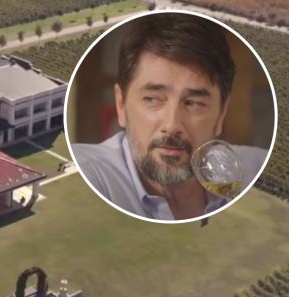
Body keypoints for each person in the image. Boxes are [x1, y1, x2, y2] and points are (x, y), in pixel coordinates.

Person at [71, 13, 268, 221]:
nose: (172, 125)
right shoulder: (84, 174)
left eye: (194, 103)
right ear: (121, 105)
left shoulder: (259, 172)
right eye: (152, 99)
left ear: (221, 113)